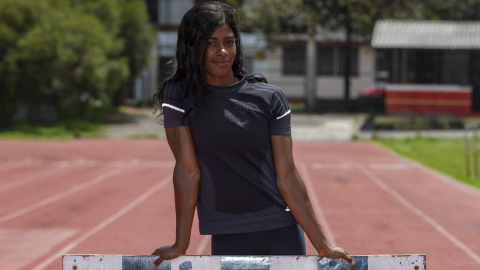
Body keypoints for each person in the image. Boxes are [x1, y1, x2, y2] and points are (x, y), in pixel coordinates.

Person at [151, 2, 354, 268]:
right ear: (192, 46)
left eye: (229, 42)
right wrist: (181, 243)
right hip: (227, 233)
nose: (222, 51)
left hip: (281, 230)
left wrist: (323, 245)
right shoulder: (180, 96)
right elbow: (188, 170)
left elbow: (287, 174)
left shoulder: (270, 98)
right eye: (211, 43)